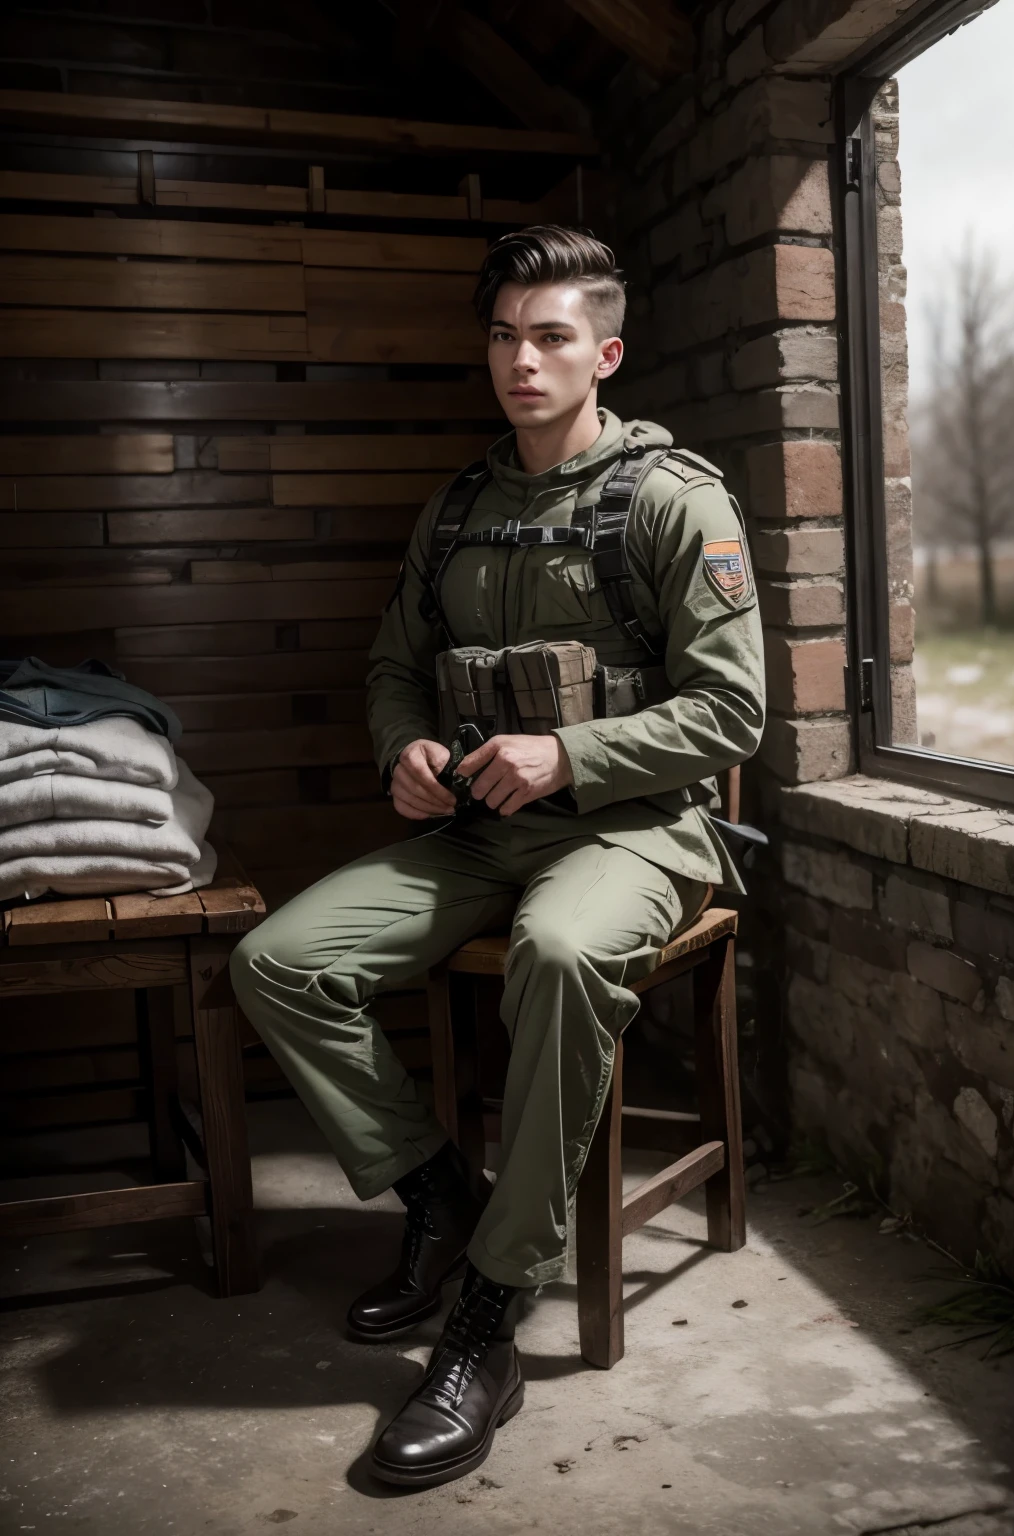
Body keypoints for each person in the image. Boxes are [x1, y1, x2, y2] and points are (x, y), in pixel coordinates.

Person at [230, 225, 765, 1489]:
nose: (521, 360)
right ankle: (440, 1200)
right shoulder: (460, 505)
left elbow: (733, 711)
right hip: (476, 829)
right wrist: (403, 747)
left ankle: (490, 1308)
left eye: (550, 337)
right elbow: (391, 667)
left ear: (604, 353)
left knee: (564, 951)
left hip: (635, 829)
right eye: (503, 336)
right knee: (277, 961)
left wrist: (569, 757)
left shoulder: (674, 498)